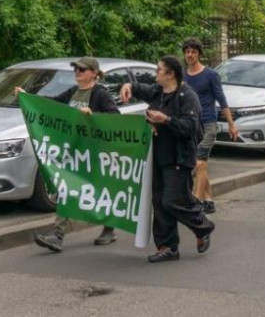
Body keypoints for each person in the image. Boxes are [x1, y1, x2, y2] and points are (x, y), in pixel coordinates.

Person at [15, 57, 120, 253]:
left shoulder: (100, 94)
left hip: (94, 154)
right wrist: (27, 97)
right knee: (65, 188)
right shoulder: (73, 92)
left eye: (82, 69)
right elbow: (52, 105)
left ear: (94, 73)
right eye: (76, 69)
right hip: (73, 152)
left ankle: (109, 228)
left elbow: (115, 118)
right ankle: (57, 235)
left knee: (99, 192)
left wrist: (94, 115)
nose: (77, 72)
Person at [120, 55, 214, 263]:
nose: (156, 74)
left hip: (179, 158)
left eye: (159, 70)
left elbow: (191, 127)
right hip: (158, 156)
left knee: (173, 201)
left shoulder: (187, 96)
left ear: (171, 74)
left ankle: (203, 226)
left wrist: (166, 120)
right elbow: (141, 88)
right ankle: (167, 247)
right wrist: (128, 86)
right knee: (160, 203)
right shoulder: (158, 92)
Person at [183, 38, 238, 214]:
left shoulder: (210, 75)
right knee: (202, 165)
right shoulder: (183, 76)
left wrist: (231, 124)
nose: (190, 55)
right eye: (187, 52)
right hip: (192, 126)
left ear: (199, 53)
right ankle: (209, 201)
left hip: (208, 124)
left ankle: (196, 200)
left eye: (193, 52)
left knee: (199, 163)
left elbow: (222, 100)